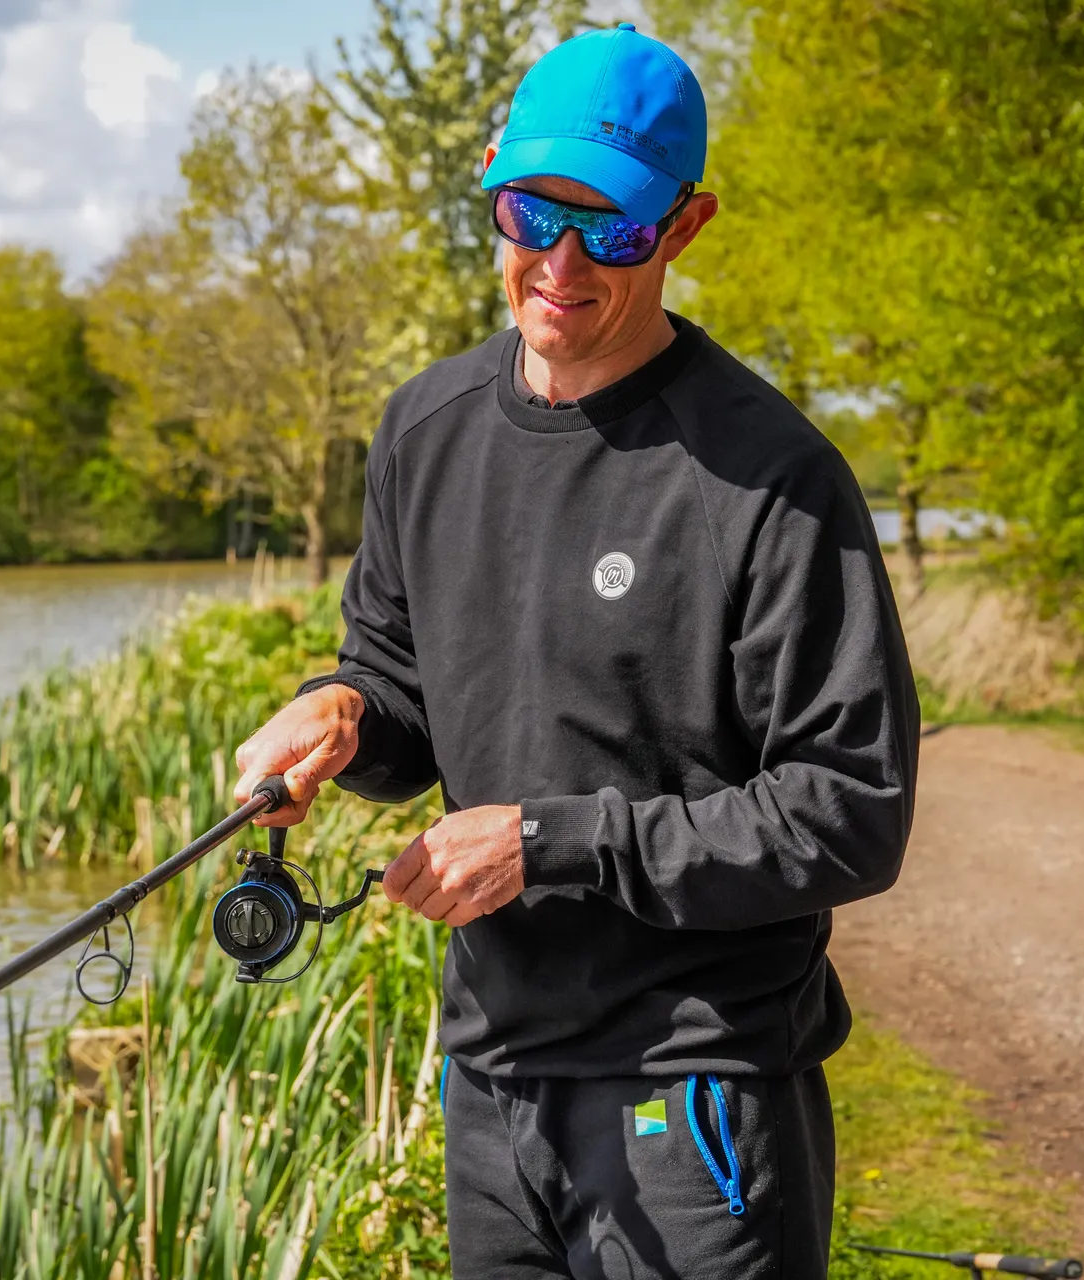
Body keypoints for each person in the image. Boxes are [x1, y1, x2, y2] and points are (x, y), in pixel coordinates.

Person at [231, 22, 919, 1279]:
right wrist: (337, 710)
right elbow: (401, 688)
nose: (559, 262)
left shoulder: (773, 477)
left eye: (611, 231)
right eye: (532, 210)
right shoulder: (422, 431)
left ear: (685, 227)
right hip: (491, 1082)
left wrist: (551, 840)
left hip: (694, 1090)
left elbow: (850, 811)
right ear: (494, 179)